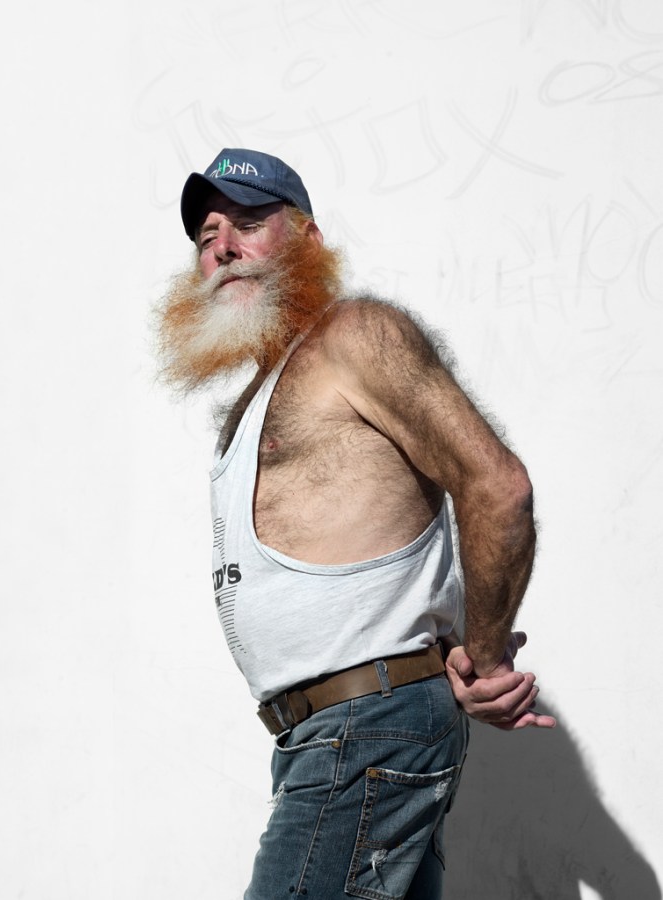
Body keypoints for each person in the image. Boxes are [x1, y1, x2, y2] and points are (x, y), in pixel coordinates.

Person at [156, 147, 556, 899]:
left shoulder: (354, 336)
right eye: (207, 235)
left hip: (363, 730)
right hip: (332, 735)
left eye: (248, 221)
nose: (223, 248)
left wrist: (487, 657)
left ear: (307, 239)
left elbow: (496, 486)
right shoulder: (263, 390)